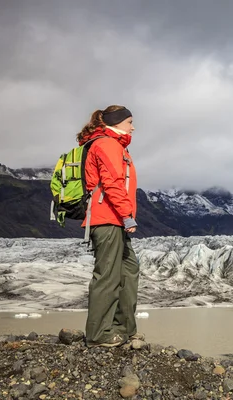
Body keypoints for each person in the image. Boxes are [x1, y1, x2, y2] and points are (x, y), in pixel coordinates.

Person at [76, 105, 142, 347]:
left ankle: (123, 328)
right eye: (129, 122)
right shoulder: (107, 144)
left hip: (115, 219)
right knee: (108, 276)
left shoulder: (116, 145)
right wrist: (127, 215)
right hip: (107, 219)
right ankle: (98, 334)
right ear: (115, 122)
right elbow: (112, 183)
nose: (133, 127)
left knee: (128, 270)